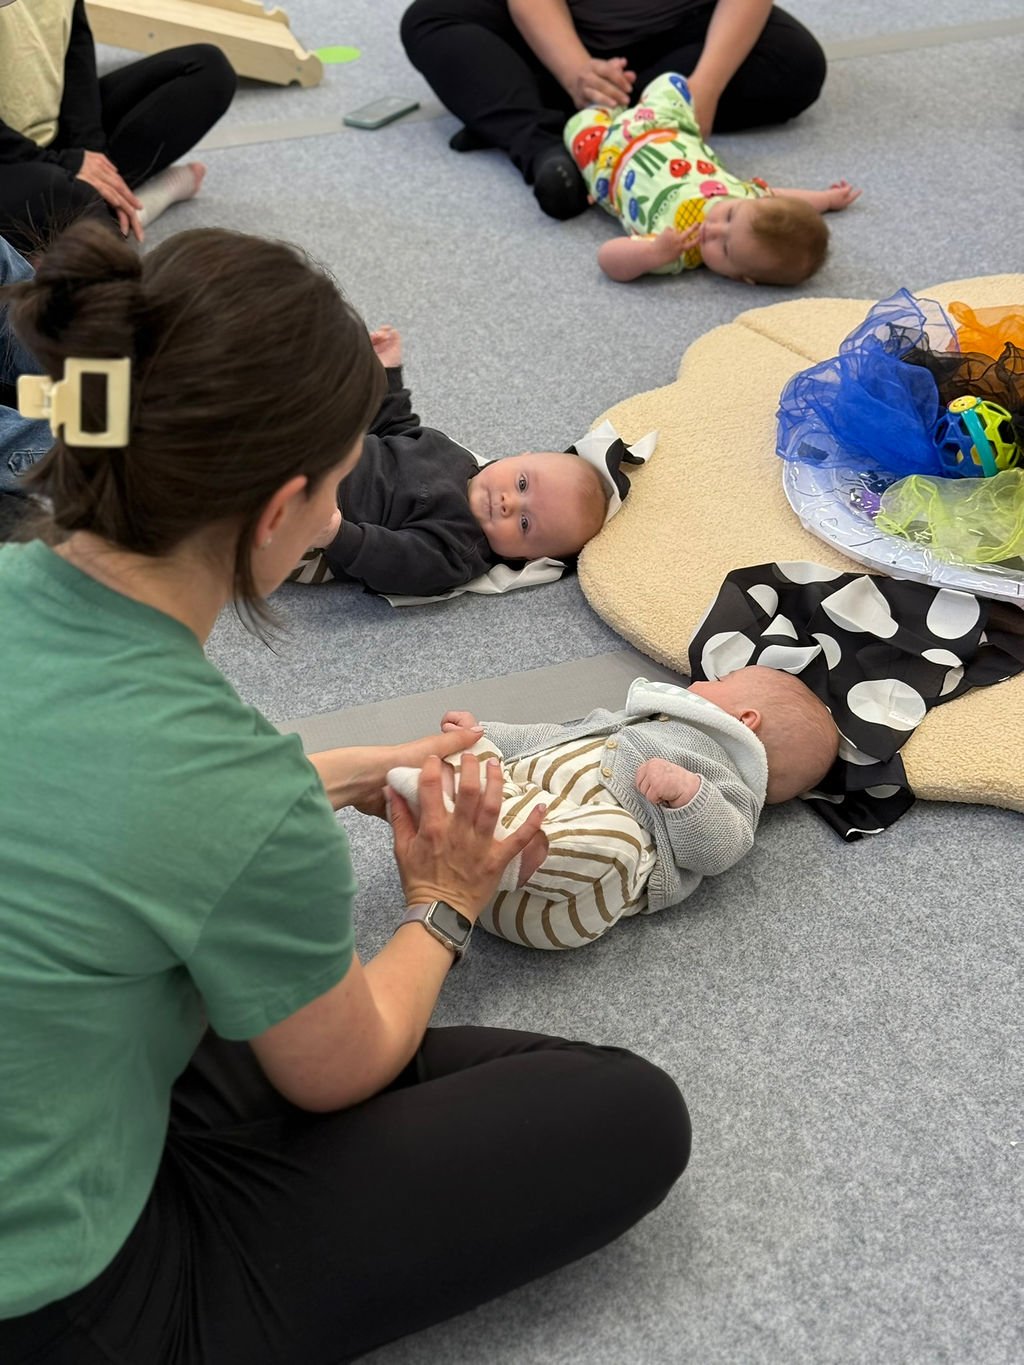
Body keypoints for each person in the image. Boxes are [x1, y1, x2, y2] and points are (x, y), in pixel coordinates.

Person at [0, 218, 691, 1363]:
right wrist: (446, 898)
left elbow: (110, 801)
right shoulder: (231, 796)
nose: (334, 518)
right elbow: (337, 1075)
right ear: (279, 512)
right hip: (62, 1305)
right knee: (622, 1110)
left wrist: (365, 768)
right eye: (330, 491)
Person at [389, 666, 840, 949]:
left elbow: (723, 849)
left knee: (620, 839)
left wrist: (687, 795)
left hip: (549, 902)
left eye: (721, 683)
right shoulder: (634, 721)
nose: (699, 682)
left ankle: (510, 852)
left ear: (746, 719)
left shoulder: (725, 777)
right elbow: (552, 736)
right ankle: (449, 808)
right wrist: (484, 733)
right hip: (493, 837)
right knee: (481, 757)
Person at [400, 0, 828, 219]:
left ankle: (524, 111)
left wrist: (704, 89)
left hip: (675, 40)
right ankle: (542, 147)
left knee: (796, 62)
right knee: (431, 18)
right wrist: (576, 73)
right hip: (554, 40)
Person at [290, 325, 612, 596]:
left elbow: (399, 563)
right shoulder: (455, 455)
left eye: (524, 523)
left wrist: (337, 535)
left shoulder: (460, 551)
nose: (507, 503)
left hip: (322, 532)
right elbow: (397, 430)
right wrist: (387, 373)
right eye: (521, 483)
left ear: (528, 557)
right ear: (519, 458)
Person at [567, 71, 860, 283]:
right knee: (673, 82)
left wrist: (653, 253)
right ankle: (622, 92)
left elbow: (608, 258)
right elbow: (778, 196)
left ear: (740, 277)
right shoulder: (746, 198)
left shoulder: (681, 249)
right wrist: (826, 199)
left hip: (608, 158)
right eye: (730, 216)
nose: (713, 229)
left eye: (725, 249)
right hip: (665, 126)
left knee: (576, 126)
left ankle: (603, 107)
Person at [0, 0, 235, 254]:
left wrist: (91, 153)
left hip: (51, 141)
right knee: (62, 193)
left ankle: (96, 216)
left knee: (208, 72)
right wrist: (66, 163)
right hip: (8, 159)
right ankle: (124, 214)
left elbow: (75, 44)